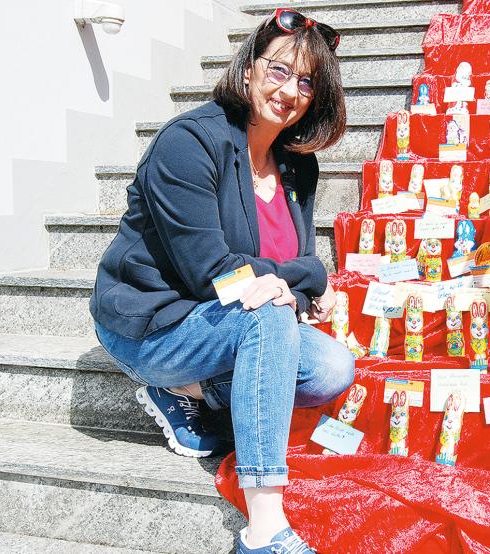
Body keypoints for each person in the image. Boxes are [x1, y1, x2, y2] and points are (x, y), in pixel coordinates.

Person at [89, 8, 352, 554]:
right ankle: (263, 528)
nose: (290, 90)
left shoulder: (297, 165)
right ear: (249, 68)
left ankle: (192, 390)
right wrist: (307, 278)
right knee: (269, 311)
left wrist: (296, 283)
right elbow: (211, 271)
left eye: (307, 81)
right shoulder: (190, 143)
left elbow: (294, 275)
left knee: (332, 367)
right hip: (154, 323)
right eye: (278, 70)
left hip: (227, 320)